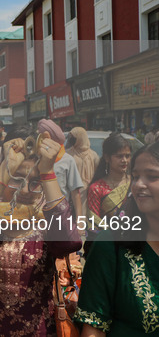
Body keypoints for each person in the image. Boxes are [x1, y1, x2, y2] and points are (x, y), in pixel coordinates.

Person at [0, 130, 81, 336]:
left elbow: (69, 243)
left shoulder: (48, 224)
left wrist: (47, 172)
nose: (25, 190)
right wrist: (4, 171)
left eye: (35, 182)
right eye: (17, 180)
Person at [75, 142, 159, 335]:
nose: (138, 185)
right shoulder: (112, 244)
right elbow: (93, 328)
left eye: (152, 176)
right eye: (135, 177)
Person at [85, 134, 132, 252]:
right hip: (110, 246)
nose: (124, 160)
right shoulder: (97, 188)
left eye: (127, 156)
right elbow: (93, 223)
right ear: (107, 158)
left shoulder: (135, 183)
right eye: (119, 156)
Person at [37, 119, 84, 229]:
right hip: (36, 216)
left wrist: (80, 222)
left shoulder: (68, 160)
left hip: (59, 215)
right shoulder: (36, 158)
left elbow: (75, 193)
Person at [66, 126, 100, 217]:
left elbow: (98, 172)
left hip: (88, 192)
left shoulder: (93, 155)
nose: (71, 139)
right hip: (72, 191)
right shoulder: (68, 154)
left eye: (73, 137)